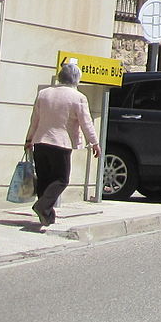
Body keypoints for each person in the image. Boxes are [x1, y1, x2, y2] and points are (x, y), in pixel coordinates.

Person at [24, 59, 101, 228]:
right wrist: (94, 142)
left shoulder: (44, 93)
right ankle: (43, 207)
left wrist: (29, 139)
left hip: (40, 141)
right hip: (61, 143)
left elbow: (34, 119)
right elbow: (86, 122)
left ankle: (46, 214)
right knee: (61, 179)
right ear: (76, 79)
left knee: (44, 178)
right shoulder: (78, 97)